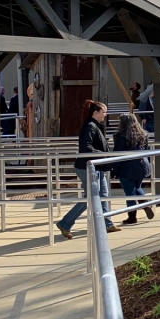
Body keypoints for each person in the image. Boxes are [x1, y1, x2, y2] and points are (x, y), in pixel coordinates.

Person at [56, 100, 119, 239]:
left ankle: (107, 223)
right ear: (95, 112)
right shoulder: (90, 126)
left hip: (96, 166)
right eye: (104, 112)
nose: (105, 115)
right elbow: (86, 147)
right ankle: (65, 223)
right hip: (88, 167)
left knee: (103, 194)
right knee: (91, 197)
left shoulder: (94, 126)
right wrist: (103, 155)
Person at [114, 113, 154, 225]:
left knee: (130, 192)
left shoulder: (120, 136)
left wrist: (114, 170)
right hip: (141, 165)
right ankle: (145, 205)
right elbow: (146, 150)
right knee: (137, 187)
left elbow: (117, 154)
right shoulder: (143, 134)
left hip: (126, 168)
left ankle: (132, 216)